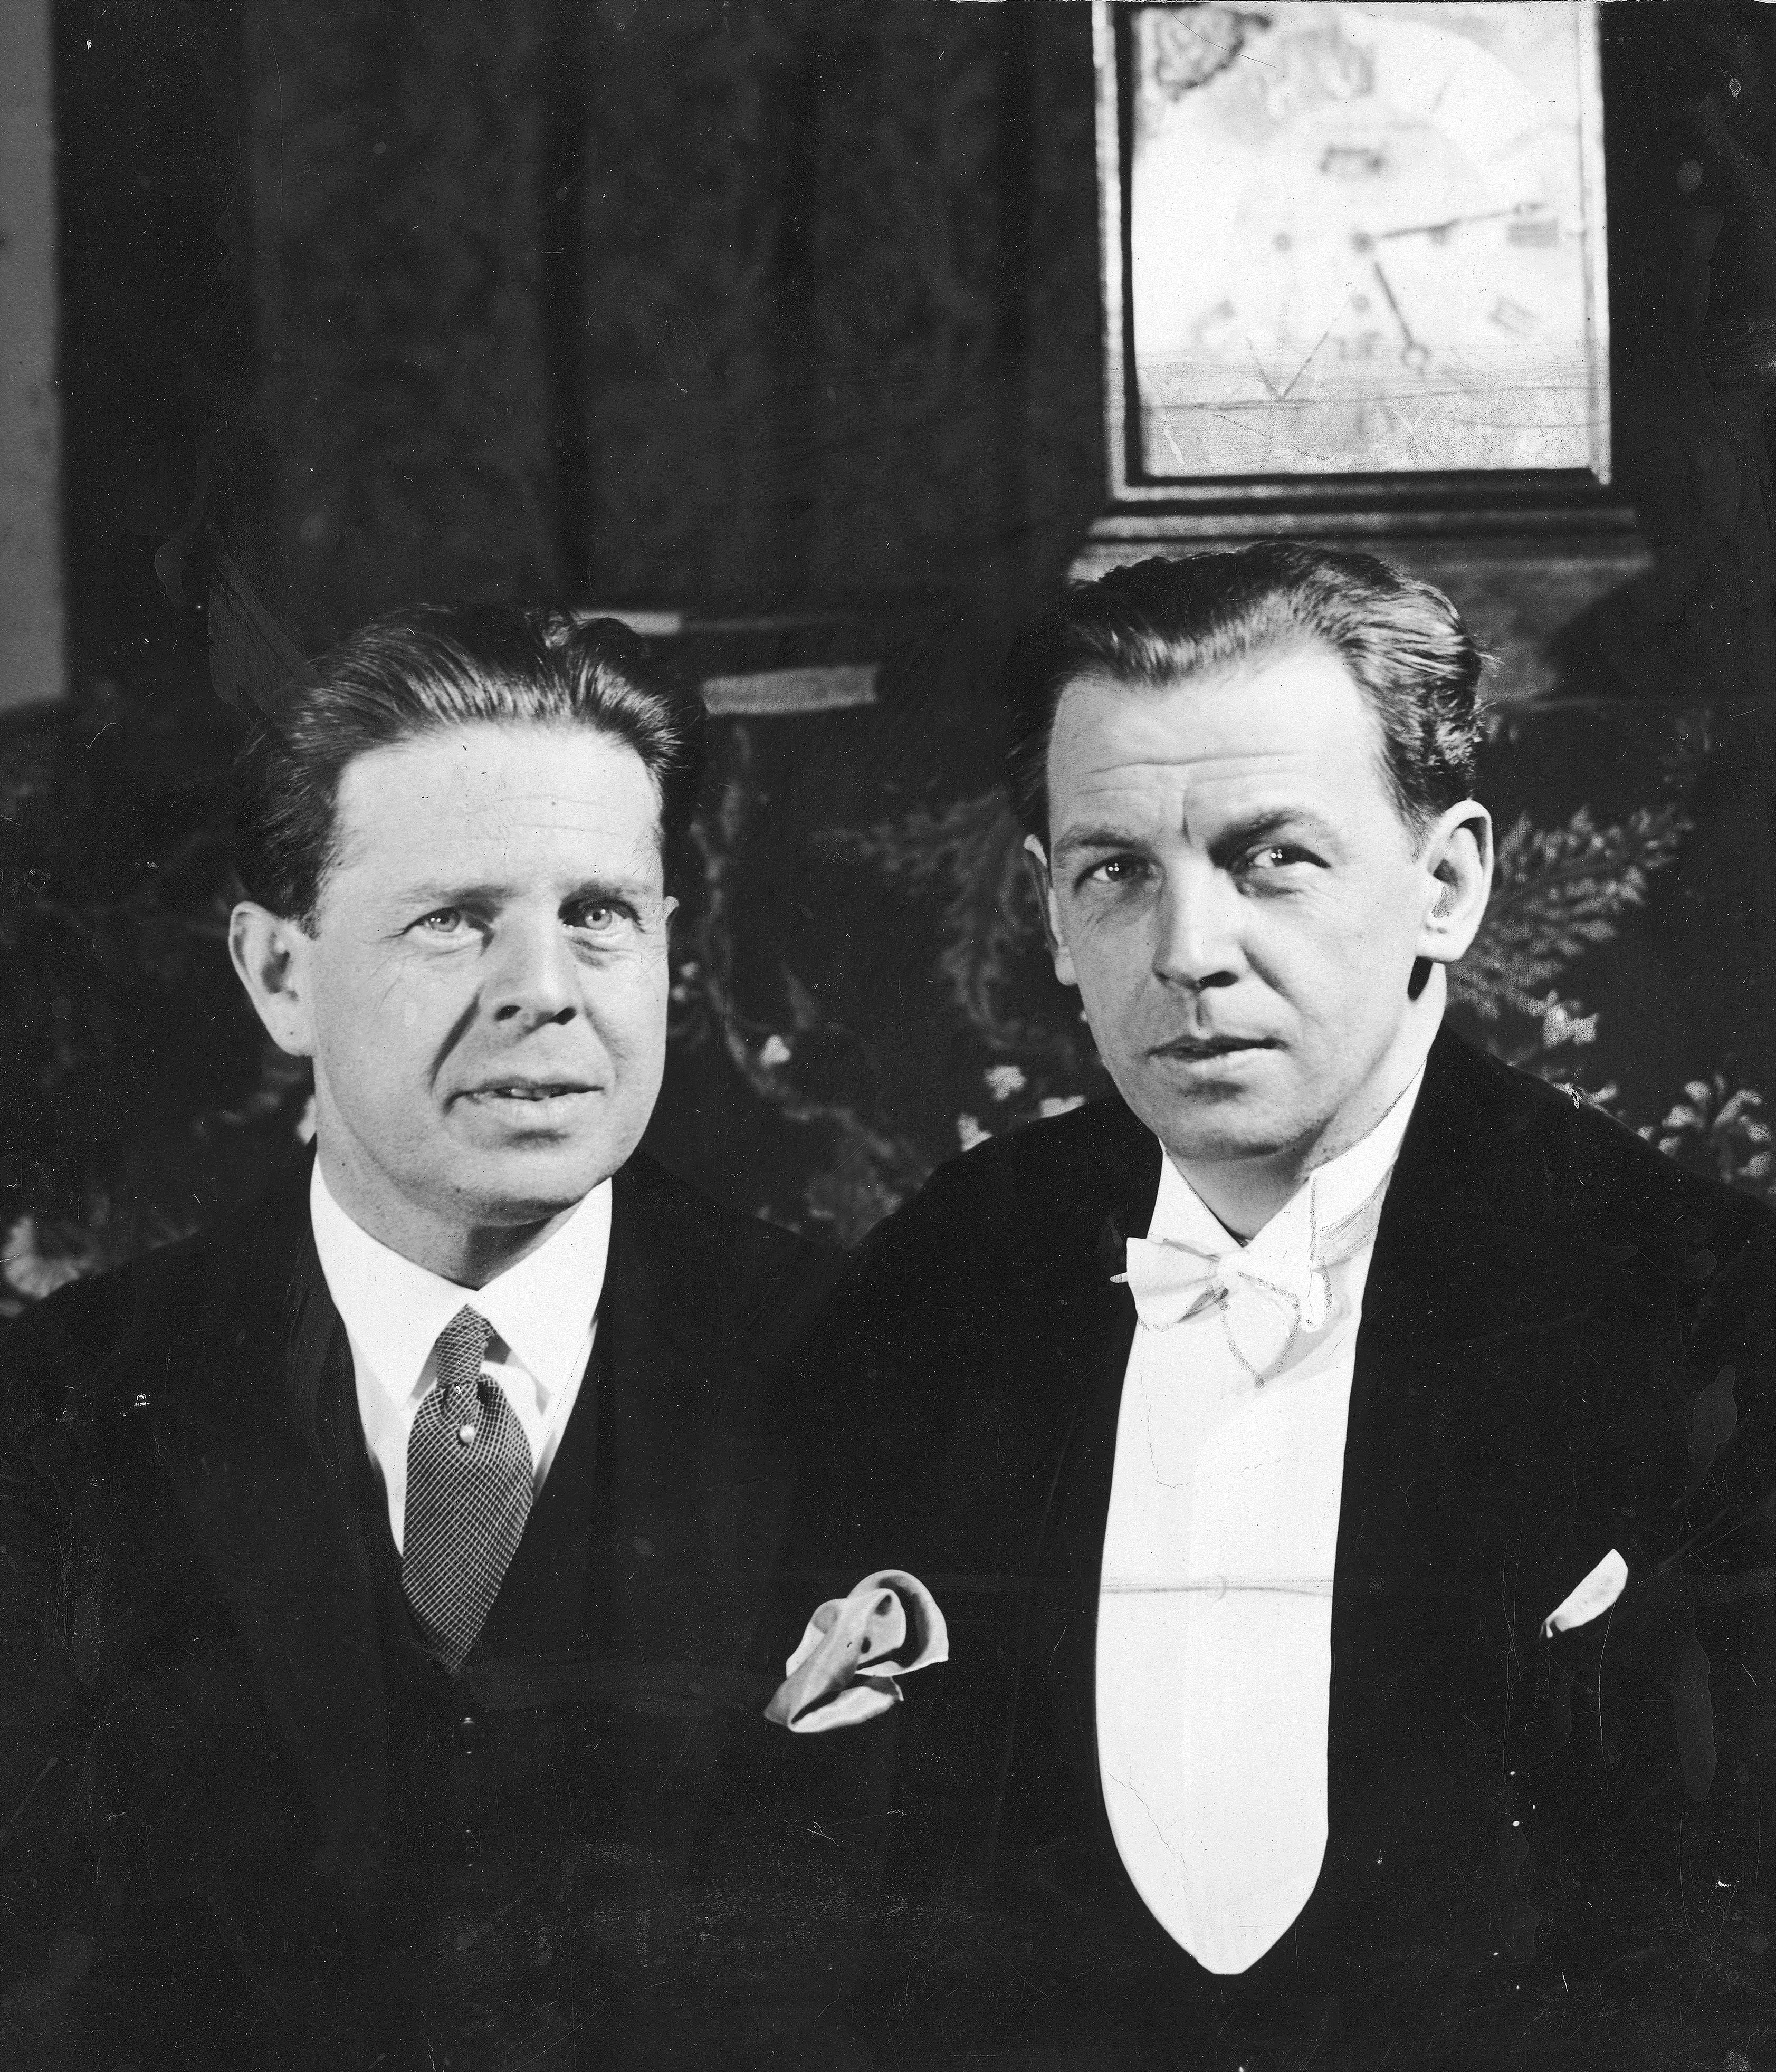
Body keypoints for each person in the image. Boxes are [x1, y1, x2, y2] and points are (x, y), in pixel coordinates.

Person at [767, 544, 1776, 2068]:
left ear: (1447, 885)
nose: (1189, 954)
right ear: (1051, 917)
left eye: (1273, 859)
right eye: (1117, 872)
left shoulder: (1702, 1298)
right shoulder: (946, 1270)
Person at [0, 608, 834, 2070]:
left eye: (600, 913)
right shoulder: (57, 1407)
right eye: (454, 919)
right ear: (279, 976)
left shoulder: (860, 1357)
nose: (546, 989)